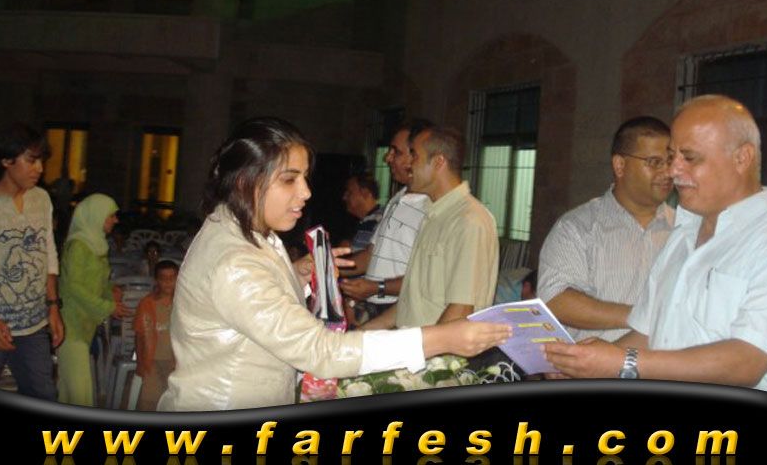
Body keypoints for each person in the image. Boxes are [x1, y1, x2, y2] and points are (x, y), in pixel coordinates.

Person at [158, 117, 511, 410]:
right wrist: (440, 338)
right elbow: (320, 350)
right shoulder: (236, 261)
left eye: (304, 178)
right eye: (289, 179)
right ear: (245, 182)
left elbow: (255, 306)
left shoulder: (244, 232)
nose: (306, 192)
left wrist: (297, 274)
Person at [545, 95, 767, 393]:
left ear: (742, 158)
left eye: (689, 157)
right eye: (670, 156)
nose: (672, 170)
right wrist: (583, 366)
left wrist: (623, 363)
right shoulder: (684, 232)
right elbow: (650, 332)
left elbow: (746, 362)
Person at [537, 116, 675, 342]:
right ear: (620, 165)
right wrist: (641, 316)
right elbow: (556, 300)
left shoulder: (685, 229)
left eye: (670, 161)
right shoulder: (578, 227)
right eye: (654, 162)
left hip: (667, 363)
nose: (667, 172)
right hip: (594, 363)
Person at [362, 124, 499, 330]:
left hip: (434, 349)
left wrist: (423, 348)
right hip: (411, 344)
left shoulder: (468, 221)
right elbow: (411, 303)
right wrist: (361, 335)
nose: (409, 164)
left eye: (414, 156)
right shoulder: (433, 214)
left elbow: (460, 311)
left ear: (438, 162)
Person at [0, 123, 64, 400]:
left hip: (33, 323)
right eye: (31, 160)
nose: (39, 168)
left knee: (43, 395)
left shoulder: (41, 199)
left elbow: (48, 253)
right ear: (7, 160)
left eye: (41, 161)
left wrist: (53, 307)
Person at [340, 121, 432, 323]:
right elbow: (370, 255)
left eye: (395, 152)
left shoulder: (431, 207)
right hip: (376, 306)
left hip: (402, 310)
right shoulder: (397, 199)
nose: (387, 157)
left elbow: (428, 279)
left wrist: (377, 287)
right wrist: (330, 267)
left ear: (416, 155)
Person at [57, 193, 131, 406]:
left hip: (85, 324)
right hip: (70, 324)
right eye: (111, 216)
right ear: (96, 215)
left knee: (68, 390)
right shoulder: (78, 246)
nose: (115, 220)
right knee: (81, 394)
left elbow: (98, 282)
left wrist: (111, 291)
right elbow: (74, 287)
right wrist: (108, 307)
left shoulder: (97, 244)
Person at [134, 259, 178, 411]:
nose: (168, 282)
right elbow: (139, 335)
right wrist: (140, 362)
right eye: (163, 278)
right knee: (149, 400)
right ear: (156, 280)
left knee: (174, 401)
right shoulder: (146, 304)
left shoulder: (182, 303)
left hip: (176, 362)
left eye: (172, 278)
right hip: (151, 361)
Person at [340, 172, 383, 252]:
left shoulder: (378, 221)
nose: (344, 197)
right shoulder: (365, 222)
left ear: (365, 193)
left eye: (349, 192)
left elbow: (366, 257)